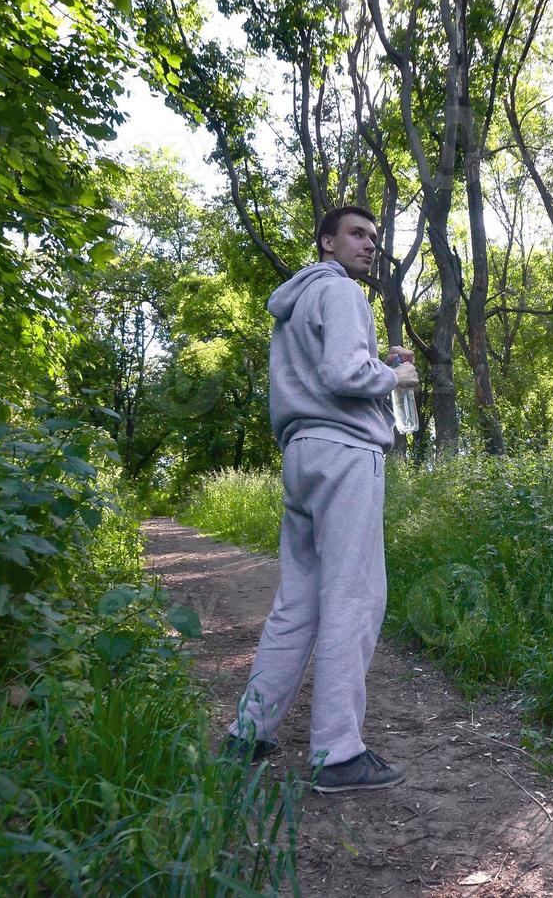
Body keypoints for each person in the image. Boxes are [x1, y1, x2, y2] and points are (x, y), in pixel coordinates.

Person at [220, 205, 420, 794]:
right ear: (327, 242)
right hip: (344, 455)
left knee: (298, 602)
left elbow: (324, 373)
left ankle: (247, 734)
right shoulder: (341, 292)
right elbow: (341, 375)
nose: (370, 246)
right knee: (355, 597)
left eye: (375, 238)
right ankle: (337, 755)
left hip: (302, 453)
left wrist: (374, 366)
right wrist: (395, 378)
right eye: (357, 235)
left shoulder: (296, 302)